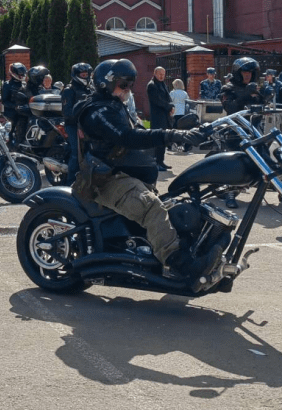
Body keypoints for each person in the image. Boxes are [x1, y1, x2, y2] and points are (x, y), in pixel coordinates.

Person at [73, 59, 220, 291]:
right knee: (152, 208)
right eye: (123, 85)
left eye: (130, 85)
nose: (127, 91)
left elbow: (140, 131)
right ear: (106, 83)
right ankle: (180, 266)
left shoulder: (117, 106)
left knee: (176, 202)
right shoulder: (97, 111)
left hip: (128, 176)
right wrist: (171, 134)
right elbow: (126, 137)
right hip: (107, 180)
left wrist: (188, 132)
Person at [219, 57, 263, 209]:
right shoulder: (228, 88)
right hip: (235, 130)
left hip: (254, 128)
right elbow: (230, 108)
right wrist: (245, 94)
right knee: (235, 163)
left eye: (250, 72)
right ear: (238, 72)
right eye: (244, 72)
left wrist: (265, 96)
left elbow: (262, 106)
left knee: (265, 155)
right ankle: (230, 194)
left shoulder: (254, 87)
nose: (248, 75)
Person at [61, 62, 93, 185]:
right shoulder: (69, 90)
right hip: (73, 125)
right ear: (76, 75)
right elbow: (67, 112)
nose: (85, 76)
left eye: (87, 74)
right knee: (76, 152)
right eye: (83, 74)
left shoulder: (90, 89)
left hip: (88, 125)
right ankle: (71, 182)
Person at [146, 66, 173, 171]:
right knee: (157, 140)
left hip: (165, 117)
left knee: (164, 140)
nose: (162, 76)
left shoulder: (163, 84)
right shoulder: (152, 85)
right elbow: (157, 101)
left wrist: (172, 106)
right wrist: (169, 107)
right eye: (160, 74)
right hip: (157, 117)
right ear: (155, 73)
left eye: (163, 74)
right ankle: (156, 162)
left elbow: (168, 97)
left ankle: (161, 161)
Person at [169, 78, 189, 152]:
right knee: (182, 129)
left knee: (174, 129)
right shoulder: (184, 93)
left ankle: (173, 144)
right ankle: (182, 143)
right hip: (182, 113)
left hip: (175, 112)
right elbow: (187, 101)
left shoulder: (172, 93)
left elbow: (170, 101)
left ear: (176, 85)